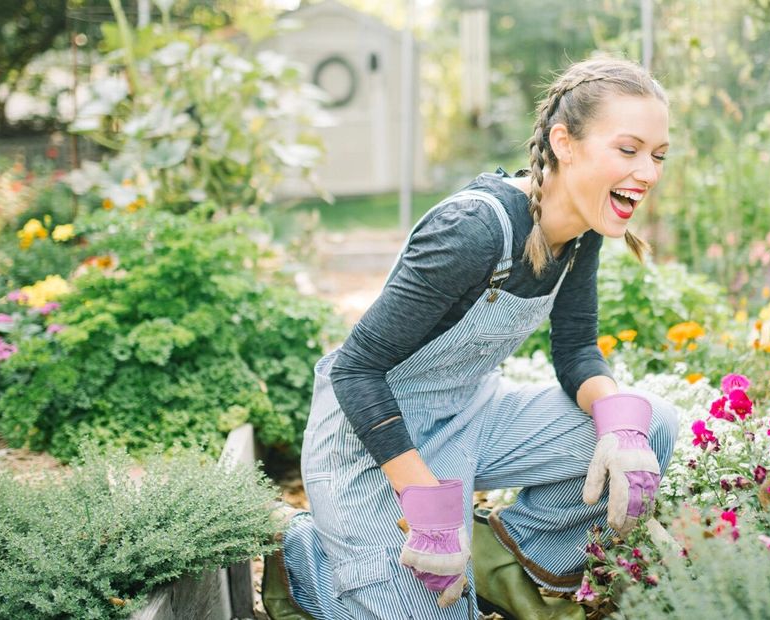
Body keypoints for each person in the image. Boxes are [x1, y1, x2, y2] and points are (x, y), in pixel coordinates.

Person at [271, 56, 680, 620]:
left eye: (658, 155)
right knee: (427, 612)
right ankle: (305, 558)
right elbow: (355, 369)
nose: (649, 172)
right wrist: (424, 503)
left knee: (649, 421)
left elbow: (577, 349)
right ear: (564, 142)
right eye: (628, 149)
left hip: (469, 414)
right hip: (372, 440)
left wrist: (619, 425)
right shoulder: (474, 230)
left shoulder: (582, 234)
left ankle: (499, 557)